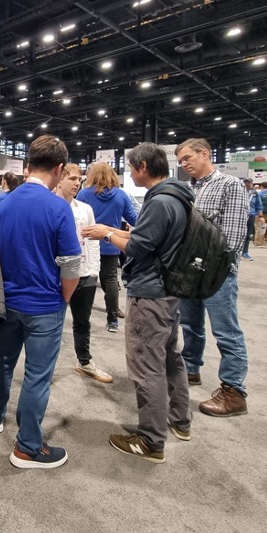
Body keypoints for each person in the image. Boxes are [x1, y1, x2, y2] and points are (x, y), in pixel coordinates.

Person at [89, 143, 193, 464]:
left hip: (150, 294)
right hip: (169, 289)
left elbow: (138, 247)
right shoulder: (177, 196)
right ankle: (180, 419)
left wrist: (107, 235)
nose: (130, 175)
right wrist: (113, 230)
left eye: (132, 168)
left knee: (146, 364)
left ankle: (150, 440)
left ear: (144, 166)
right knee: (170, 356)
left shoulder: (159, 201)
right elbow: (149, 240)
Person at [0, 136, 82, 471]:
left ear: (28, 165)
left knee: (2, 359)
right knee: (37, 375)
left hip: (7, 301)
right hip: (44, 304)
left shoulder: (4, 202)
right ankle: (28, 447)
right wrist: (65, 298)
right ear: (59, 169)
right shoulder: (58, 207)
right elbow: (71, 264)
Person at [174, 138, 250, 417]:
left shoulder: (230, 185)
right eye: (180, 161)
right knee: (190, 325)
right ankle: (190, 369)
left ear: (204, 153)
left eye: (187, 158)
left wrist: (210, 267)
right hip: (189, 271)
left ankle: (234, 392)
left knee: (226, 332)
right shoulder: (187, 188)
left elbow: (233, 238)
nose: (184, 164)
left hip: (218, 274)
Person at [55, 163, 110, 384]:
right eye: (72, 179)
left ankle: (85, 361)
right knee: (52, 323)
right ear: (59, 179)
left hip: (85, 273)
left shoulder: (85, 209)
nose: (77, 183)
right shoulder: (50, 207)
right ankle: (44, 367)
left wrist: (94, 270)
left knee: (82, 322)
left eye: (79, 179)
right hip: (57, 276)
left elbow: (93, 241)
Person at [77, 162, 138, 332]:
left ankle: (82, 319)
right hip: (111, 245)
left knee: (85, 280)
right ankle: (112, 320)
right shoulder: (121, 195)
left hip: (88, 245)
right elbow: (134, 220)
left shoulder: (84, 194)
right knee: (111, 281)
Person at [240, 177, 263, 261]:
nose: (246, 184)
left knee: (247, 235)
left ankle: (245, 252)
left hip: (251, 215)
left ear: (251, 184)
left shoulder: (254, 193)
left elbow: (259, 205)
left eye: (248, 182)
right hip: (240, 215)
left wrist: (261, 216)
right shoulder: (239, 191)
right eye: (245, 182)